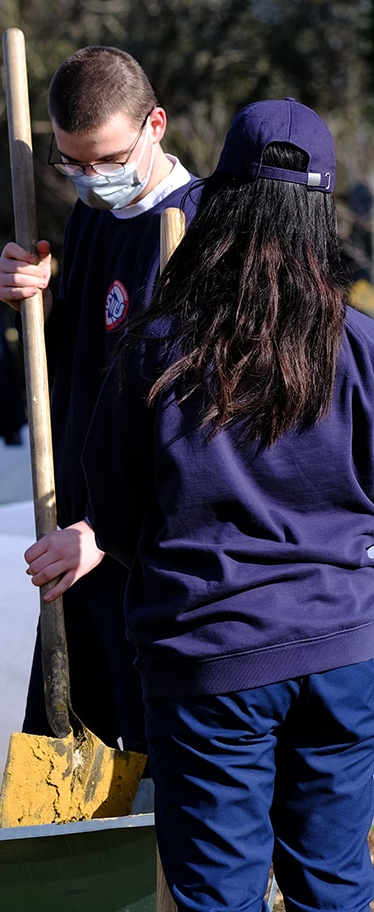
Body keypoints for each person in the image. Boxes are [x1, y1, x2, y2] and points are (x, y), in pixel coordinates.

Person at [84, 98, 374, 912]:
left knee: (216, 896)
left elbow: (112, 511)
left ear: (222, 202)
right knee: (335, 886)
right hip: (344, 652)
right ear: (321, 209)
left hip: (209, 656)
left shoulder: (155, 348)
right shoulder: (361, 347)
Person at [0, 46, 198, 756]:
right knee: (60, 742)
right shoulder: (89, 222)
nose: (90, 180)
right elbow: (69, 361)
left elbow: (194, 427)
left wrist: (108, 530)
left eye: (107, 160)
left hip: (152, 554)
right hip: (75, 535)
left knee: (155, 761)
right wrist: (25, 298)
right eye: (71, 163)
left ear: (155, 125)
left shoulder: (199, 233)